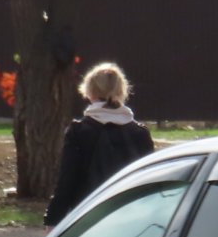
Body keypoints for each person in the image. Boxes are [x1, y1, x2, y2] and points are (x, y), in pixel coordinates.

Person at [44, 62, 155, 227]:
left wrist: (53, 219)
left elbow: (67, 180)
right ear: (121, 90)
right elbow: (150, 181)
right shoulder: (140, 133)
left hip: (89, 216)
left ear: (89, 92)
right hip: (132, 218)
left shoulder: (79, 132)